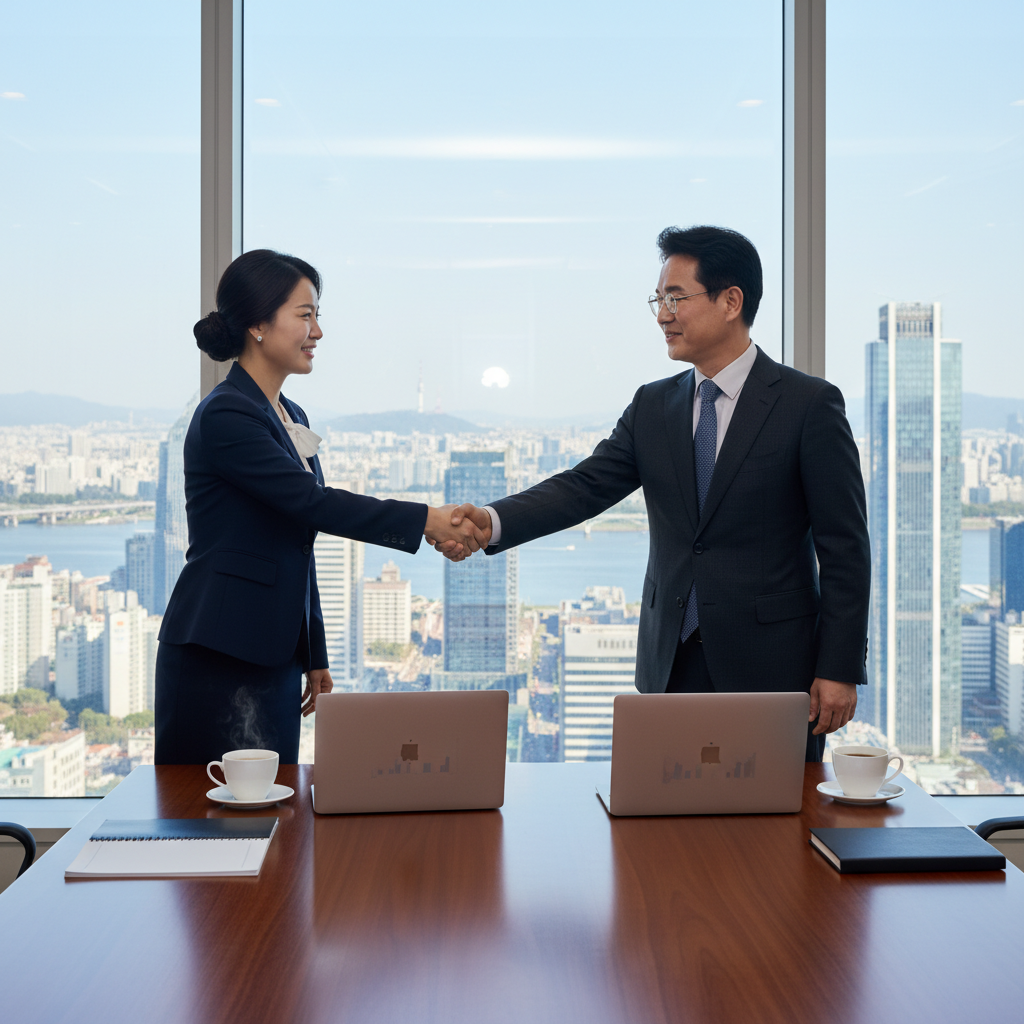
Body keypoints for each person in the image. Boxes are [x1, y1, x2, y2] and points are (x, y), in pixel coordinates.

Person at [444, 225, 870, 761]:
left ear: (730, 301)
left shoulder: (808, 405)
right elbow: (584, 487)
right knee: (669, 826)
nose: (663, 315)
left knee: (774, 831)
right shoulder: (654, 405)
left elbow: (845, 548)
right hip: (670, 659)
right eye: (659, 300)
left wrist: (838, 667)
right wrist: (491, 520)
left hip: (773, 667)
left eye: (677, 298)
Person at [155, 249, 487, 764]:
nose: (318, 331)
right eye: (305, 315)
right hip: (220, 651)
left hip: (272, 652)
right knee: (209, 818)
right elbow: (313, 504)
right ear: (259, 325)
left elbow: (296, 541)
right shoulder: (226, 415)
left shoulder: (287, 413)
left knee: (271, 812)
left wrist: (313, 653)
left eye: (317, 316)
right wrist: (428, 519)